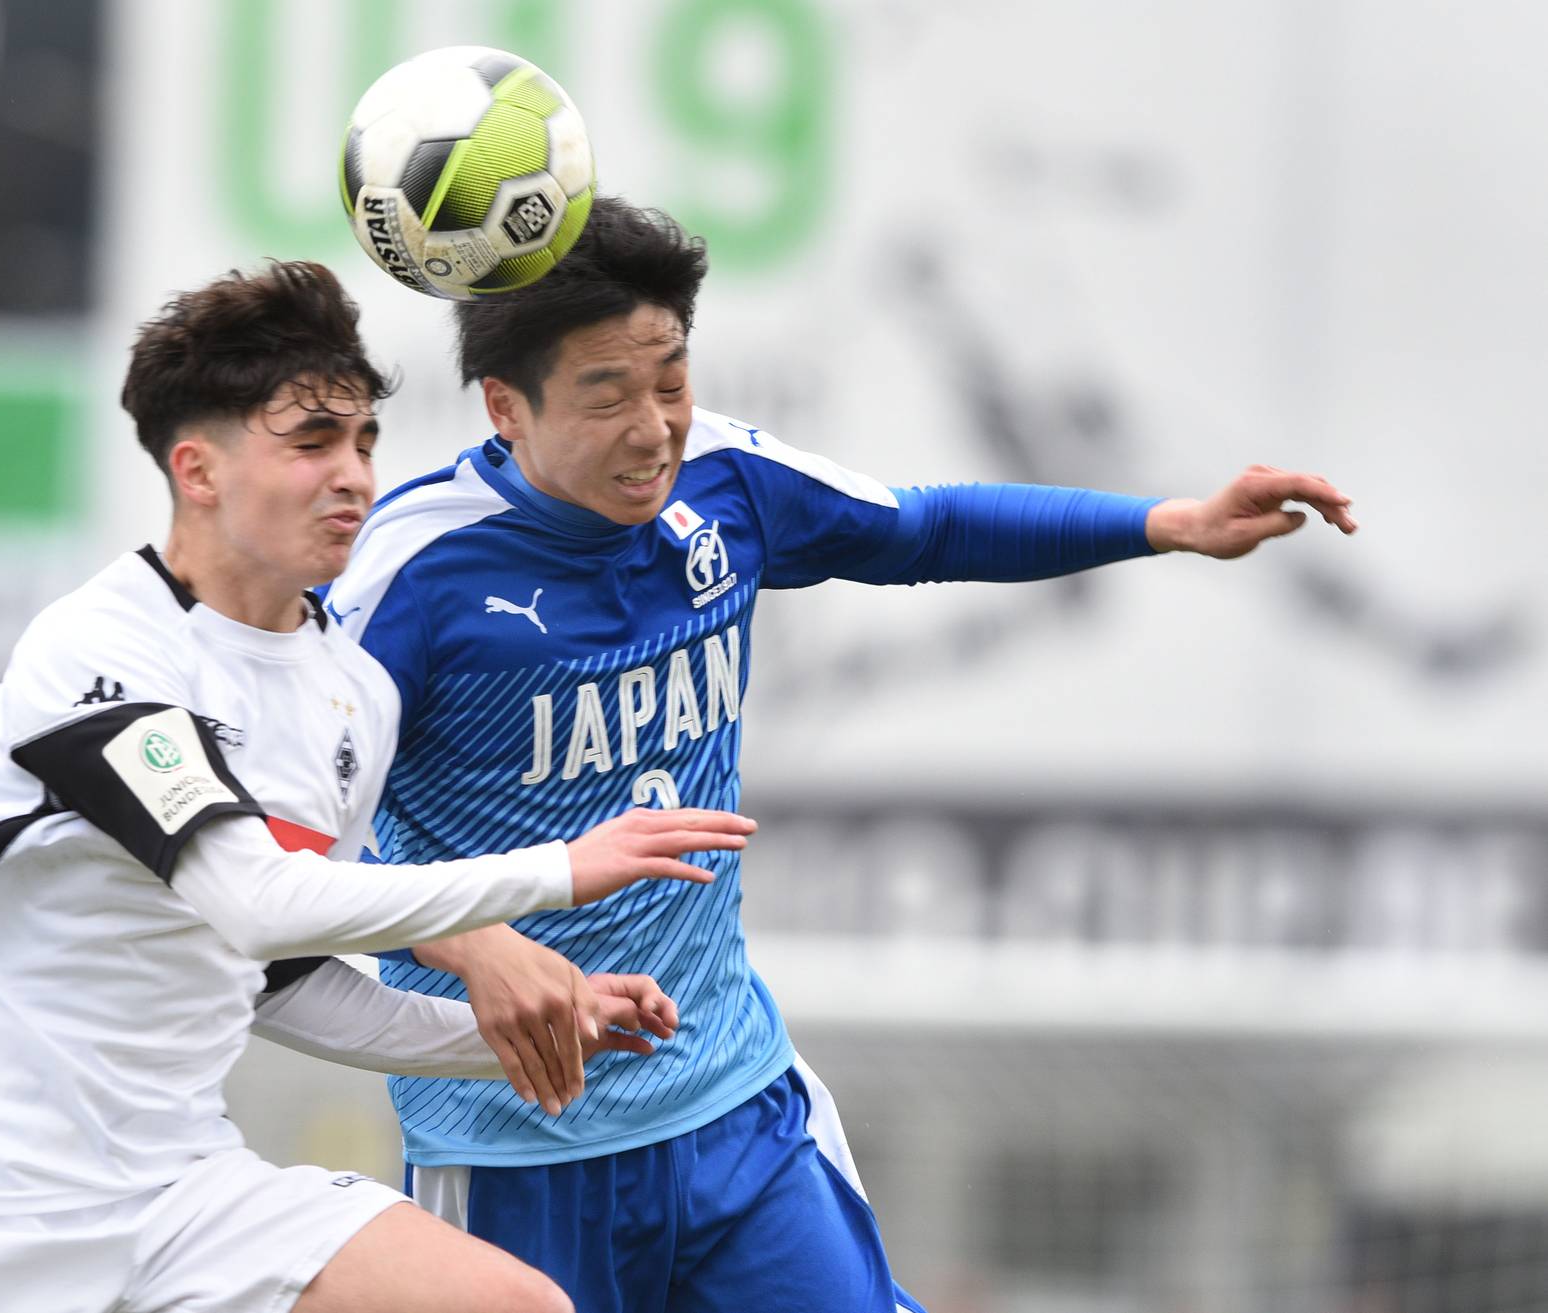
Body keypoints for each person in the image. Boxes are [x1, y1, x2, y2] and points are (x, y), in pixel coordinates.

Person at [324, 197, 1358, 1313]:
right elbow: (295, 850)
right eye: (607, 393)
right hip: (517, 1147)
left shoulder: (726, 480)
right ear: (504, 407)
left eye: (670, 377)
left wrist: (1169, 521)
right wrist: (477, 943)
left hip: (733, 1106)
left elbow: (925, 529)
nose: (655, 424)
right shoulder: (411, 575)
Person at [0, 259, 756, 1313]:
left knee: (516, 1304)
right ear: (198, 470)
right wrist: (557, 871)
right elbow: (256, 903)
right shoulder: (99, 648)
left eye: (364, 441)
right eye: (311, 443)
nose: (352, 474)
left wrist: (506, 1035)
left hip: (183, 1187)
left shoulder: (349, 692)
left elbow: (288, 981)